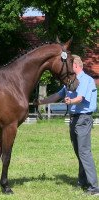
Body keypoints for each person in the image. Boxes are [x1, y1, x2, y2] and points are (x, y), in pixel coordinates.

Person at [35, 55, 99, 195]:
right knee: (79, 152)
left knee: (84, 152)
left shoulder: (86, 80)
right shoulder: (69, 82)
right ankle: (82, 182)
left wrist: (71, 101)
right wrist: (41, 102)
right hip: (74, 119)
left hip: (83, 119)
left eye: (70, 65)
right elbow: (57, 96)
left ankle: (94, 187)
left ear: (75, 65)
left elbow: (80, 98)